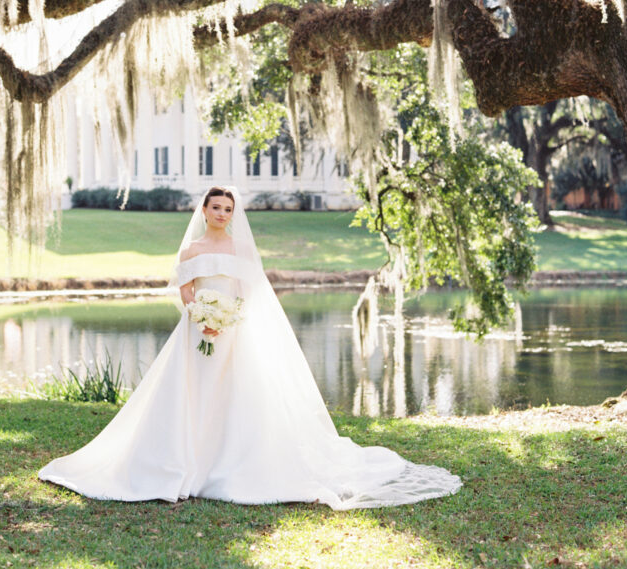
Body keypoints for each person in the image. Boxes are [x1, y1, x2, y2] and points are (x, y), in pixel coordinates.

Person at [38, 186, 461, 509]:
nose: (221, 214)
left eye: (228, 209)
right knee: (188, 396)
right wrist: (199, 317)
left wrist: (228, 320)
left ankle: (229, 464)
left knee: (236, 398)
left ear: (232, 215)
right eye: (215, 207)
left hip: (236, 334)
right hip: (195, 335)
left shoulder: (241, 249)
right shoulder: (192, 249)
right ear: (203, 210)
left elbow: (248, 291)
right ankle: (179, 462)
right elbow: (185, 290)